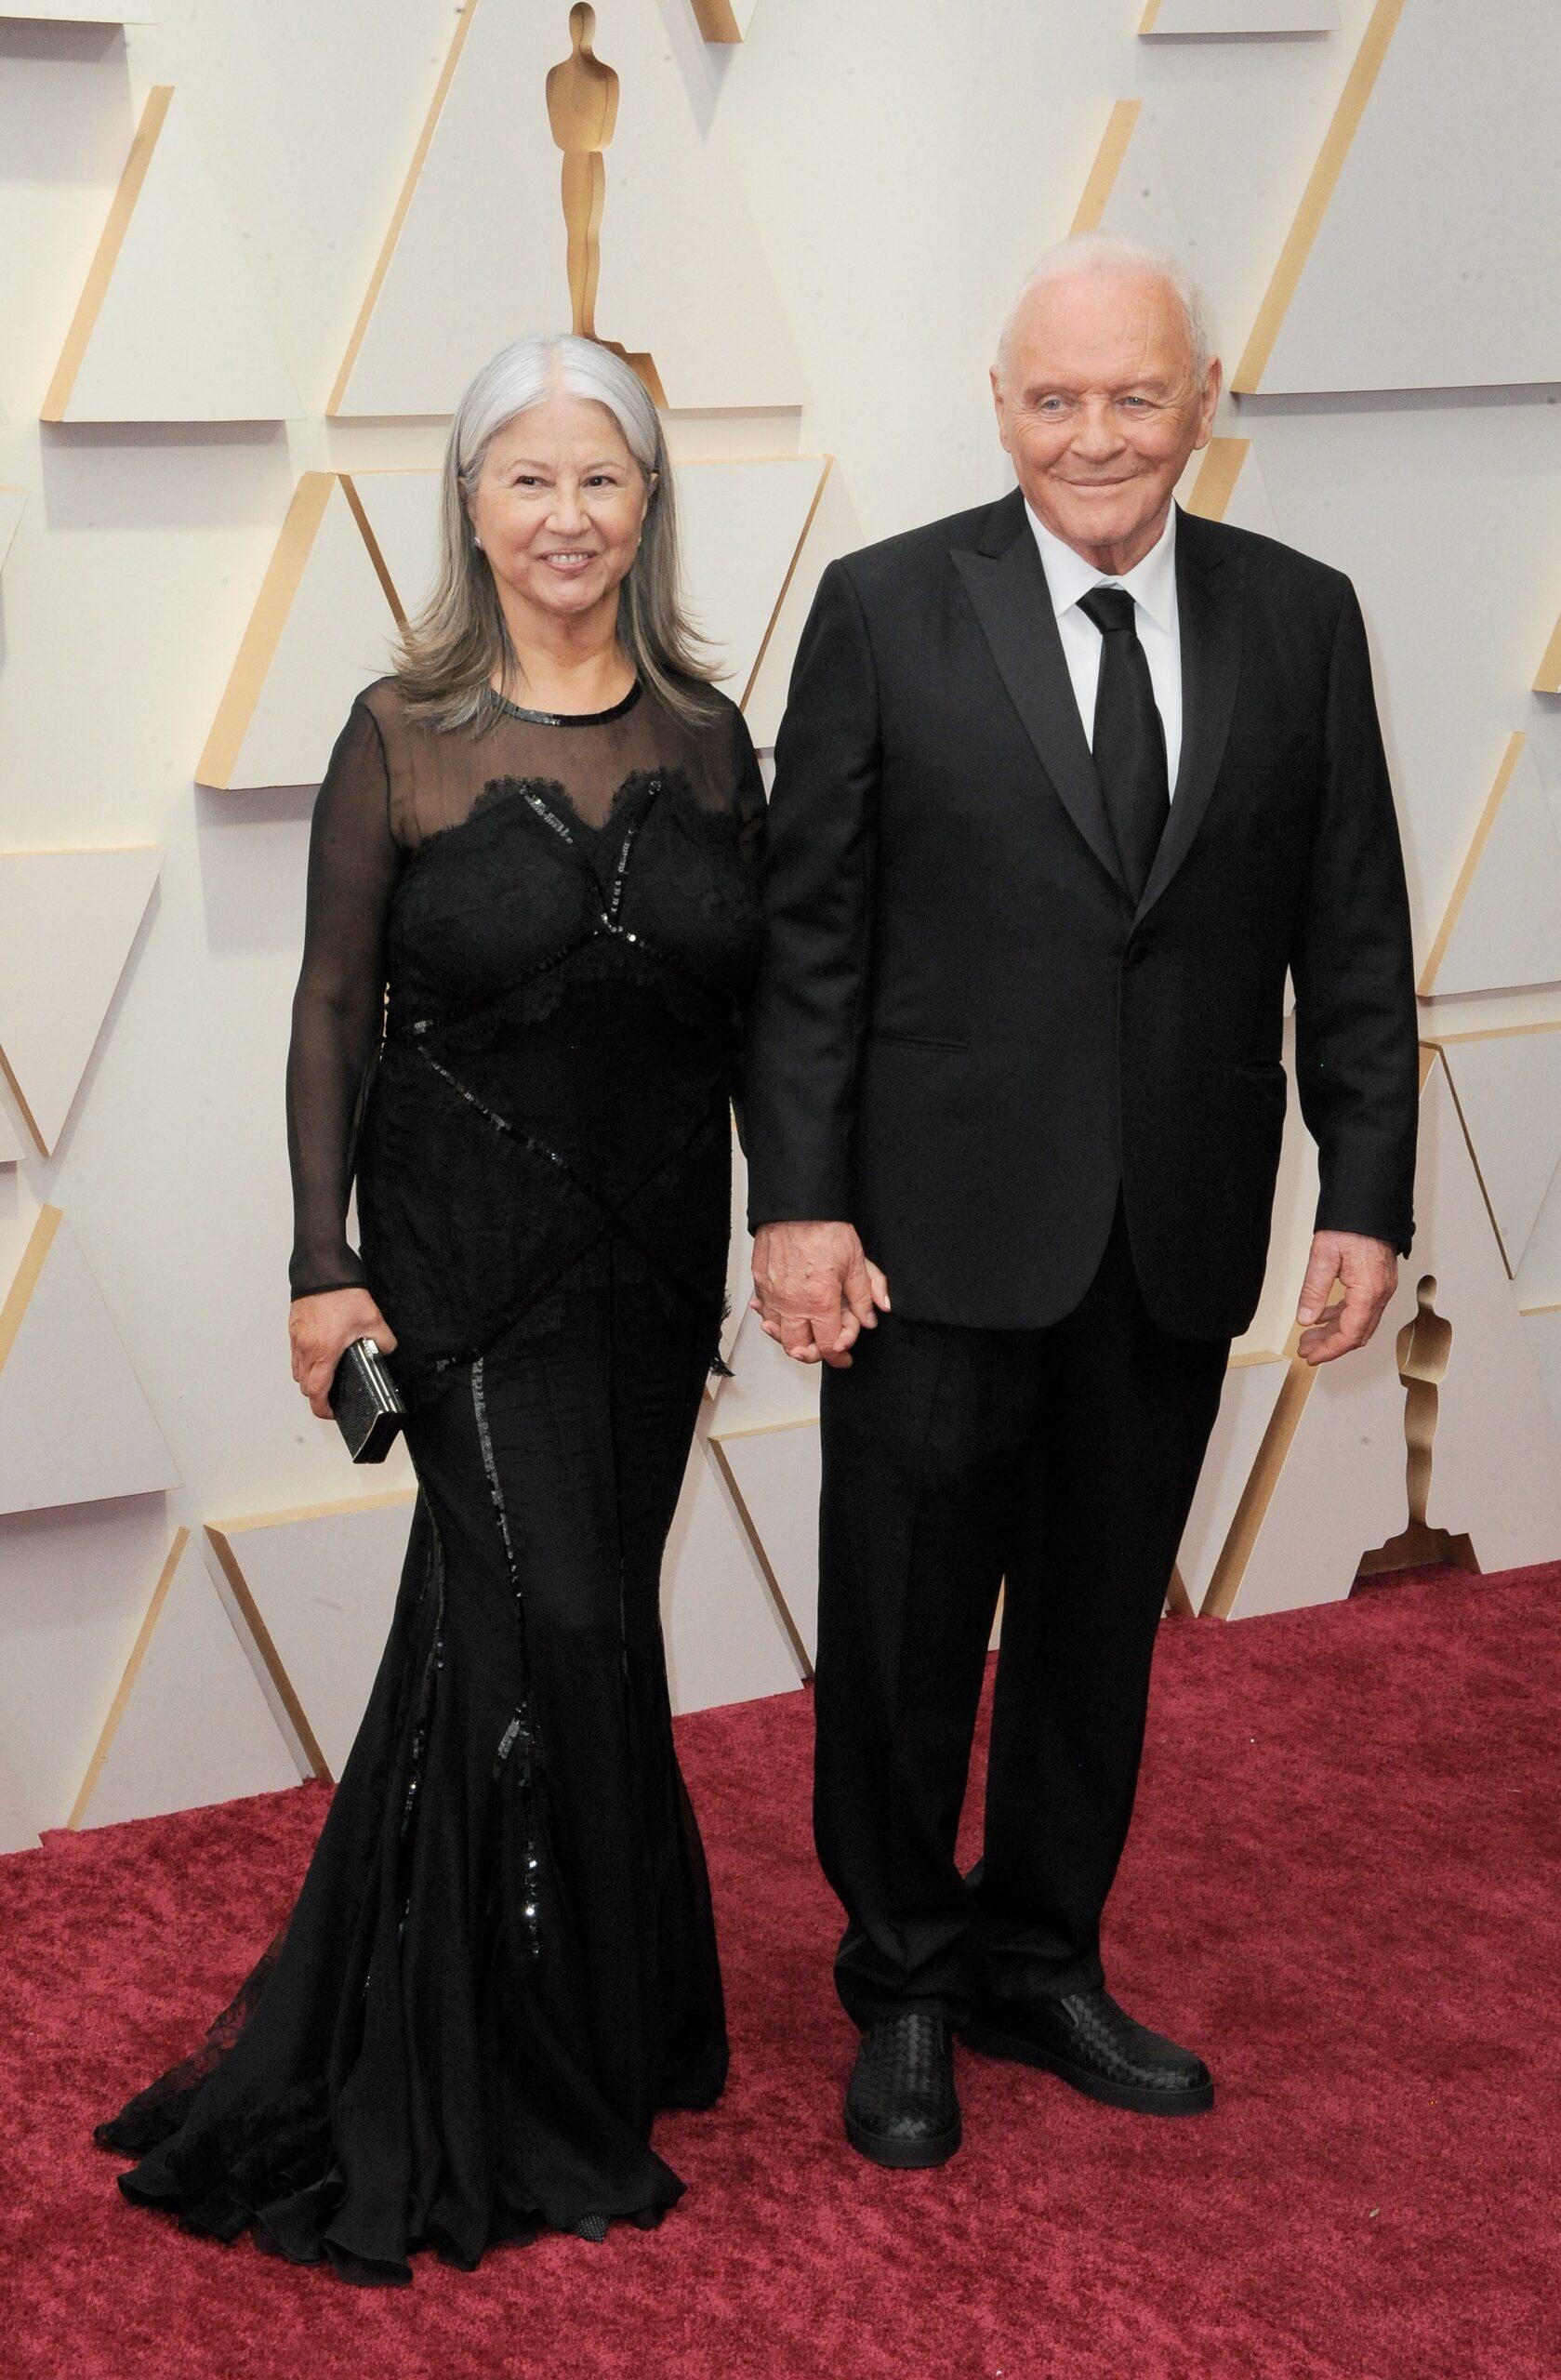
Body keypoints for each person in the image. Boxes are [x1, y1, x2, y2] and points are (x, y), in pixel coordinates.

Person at [745, 232, 1419, 2168]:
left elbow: (1350, 925)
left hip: (1177, 1230)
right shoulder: (887, 608)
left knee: (1097, 1630)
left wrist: (1362, 1185)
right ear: (999, 405)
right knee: (899, 1626)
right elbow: (813, 942)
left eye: (1137, 394)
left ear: (1201, 399)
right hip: (925, 1238)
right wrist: (798, 1202)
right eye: (1058, 398)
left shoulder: (1304, 617)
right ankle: (904, 1976)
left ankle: (1042, 1954)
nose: (1098, 435)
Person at [95, 334, 766, 2276]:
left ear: (651, 504)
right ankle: (503, 2061)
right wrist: (326, 1265)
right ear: (470, 505)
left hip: (656, 1267)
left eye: (604, 478)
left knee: (575, 1625)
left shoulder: (714, 738)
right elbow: (328, 1011)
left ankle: (595, 2005)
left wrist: (794, 1216)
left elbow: (756, 1009)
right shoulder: (398, 732)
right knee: (538, 1608)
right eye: (529, 478)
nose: (568, 515)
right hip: (460, 1269)